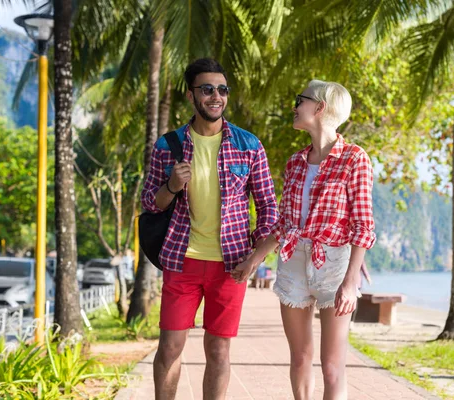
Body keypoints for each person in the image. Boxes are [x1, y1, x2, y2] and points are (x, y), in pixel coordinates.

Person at [141, 58, 278, 400]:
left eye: (222, 89)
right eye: (207, 89)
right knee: (170, 347)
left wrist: (256, 258)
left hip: (231, 265)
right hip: (181, 261)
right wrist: (171, 185)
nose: (216, 96)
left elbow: (269, 209)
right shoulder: (167, 146)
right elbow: (149, 203)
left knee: (218, 351)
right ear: (191, 96)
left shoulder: (248, 146)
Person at [233, 80, 376, 400]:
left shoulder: (355, 158)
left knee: (331, 365)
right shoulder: (296, 162)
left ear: (320, 107)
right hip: (293, 260)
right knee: (299, 358)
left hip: (335, 263)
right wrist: (253, 259)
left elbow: (363, 226)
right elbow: (284, 224)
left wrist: (351, 281)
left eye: (301, 100)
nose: (295, 106)